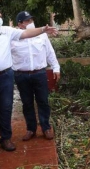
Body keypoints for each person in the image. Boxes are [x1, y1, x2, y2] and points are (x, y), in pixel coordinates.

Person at [0, 8, 56, 154]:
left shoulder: (6, 31)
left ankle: (5, 138)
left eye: (1, 16)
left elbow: (26, 33)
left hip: (5, 76)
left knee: (6, 108)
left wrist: (43, 29)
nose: (0, 18)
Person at [11, 11, 61, 141]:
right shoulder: (12, 37)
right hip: (21, 75)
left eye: (31, 20)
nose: (31, 23)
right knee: (27, 103)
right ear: (20, 24)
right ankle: (30, 129)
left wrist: (56, 67)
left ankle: (46, 127)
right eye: (27, 21)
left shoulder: (42, 36)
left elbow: (50, 52)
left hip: (39, 73)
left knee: (43, 101)